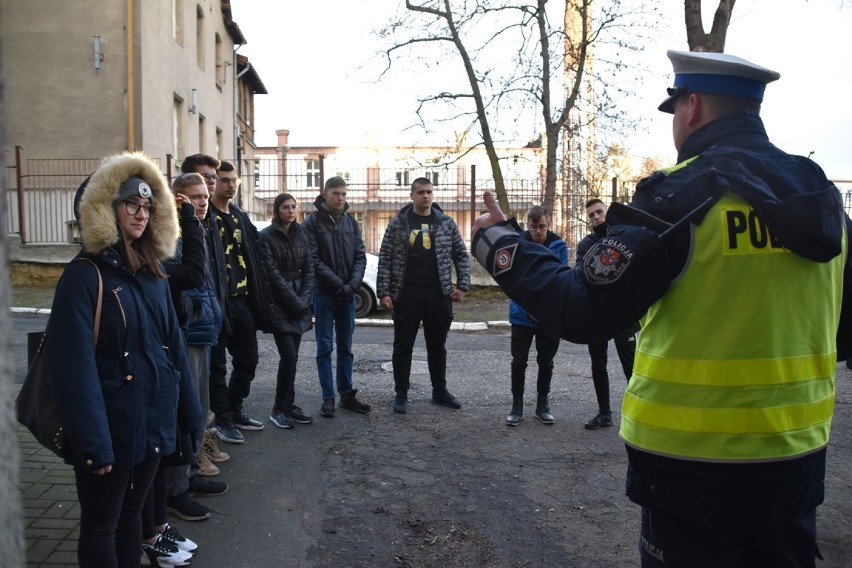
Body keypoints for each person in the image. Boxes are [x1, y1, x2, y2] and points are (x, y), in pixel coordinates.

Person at [471, 50, 851, 567]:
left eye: (674, 110)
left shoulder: (680, 197)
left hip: (693, 471)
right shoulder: (820, 199)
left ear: (692, 107)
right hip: (796, 463)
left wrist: (500, 245)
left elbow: (583, 310)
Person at [46, 152, 205, 567]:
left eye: (147, 206)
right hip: (110, 433)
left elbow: (172, 348)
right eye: (130, 204)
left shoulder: (153, 273)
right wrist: (93, 444)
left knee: (133, 518)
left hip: (151, 423)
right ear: (105, 207)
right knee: (101, 527)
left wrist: (190, 416)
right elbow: (73, 369)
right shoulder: (84, 276)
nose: (140, 213)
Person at [376, 177, 471, 414]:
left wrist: (462, 286)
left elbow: (461, 254)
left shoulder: (446, 223)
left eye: (429, 191)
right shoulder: (398, 223)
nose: (425, 196)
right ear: (412, 195)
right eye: (420, 192)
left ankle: (439, 391)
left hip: (439, 294)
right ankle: (401, 393)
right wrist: (384, 291)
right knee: (403, 345)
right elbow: (385, 257)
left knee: (437, 346)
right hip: (407, 294)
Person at [206, 159, 272, 442]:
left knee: (248, 359)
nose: (231, 185)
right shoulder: (204, 215)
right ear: (213, 182)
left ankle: (234, 408)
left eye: (235, 180)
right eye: (225, 180)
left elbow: (255, 253)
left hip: (242, 299)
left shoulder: (239, 216)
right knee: (217, 365)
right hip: (217, 301)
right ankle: (221, 418)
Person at [302, 176, 372, 417]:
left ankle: (346, 393)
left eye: (343, 194)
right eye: (336, 194)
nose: (341, 198)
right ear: (325, 195)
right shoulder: (310, 223)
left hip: (347, 294)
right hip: (324, 294)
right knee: (324, 346)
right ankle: (328, 397)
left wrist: (351, 285)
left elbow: (360, 256)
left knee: (346, 346)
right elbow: (313, 259)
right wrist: (339, 284)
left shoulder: (351, 223)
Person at [575, 199, 637, 430]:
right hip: (597, 313)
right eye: (591, 215)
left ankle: (637, 412)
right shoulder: (585, 245)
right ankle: (604, 413)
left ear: (607, 212)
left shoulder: (623, 238)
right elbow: (580, 276)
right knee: (598, 364)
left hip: (624, 313)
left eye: (599, 212)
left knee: (631, 365)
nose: (596, 217)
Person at [505, 206, 566, 425]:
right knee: (519, 361)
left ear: (548, 225)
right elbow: (514, 280)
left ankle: (543, 404)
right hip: (521, 314)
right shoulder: (518, 245)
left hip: (549, 316)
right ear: (527, 226)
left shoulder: (558, 246)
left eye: (542, 227)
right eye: (533, 227)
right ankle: (517, 405)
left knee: (546, 361)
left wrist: (543, 308)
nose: (538, 232)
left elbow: (558, 279)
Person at [259, 193, 316, 428]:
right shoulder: (266, 237)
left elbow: (310, 269)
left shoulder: (302, 233)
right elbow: (271, 275)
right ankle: (278, 408)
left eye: (294, 207)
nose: (291, 211)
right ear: (276, 209)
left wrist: (303, 300)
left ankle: (289, 405)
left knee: (293, 358)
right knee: (288, 356)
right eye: (285, 207)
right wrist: (295, 302)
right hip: (279, 303)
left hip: (299, 302)